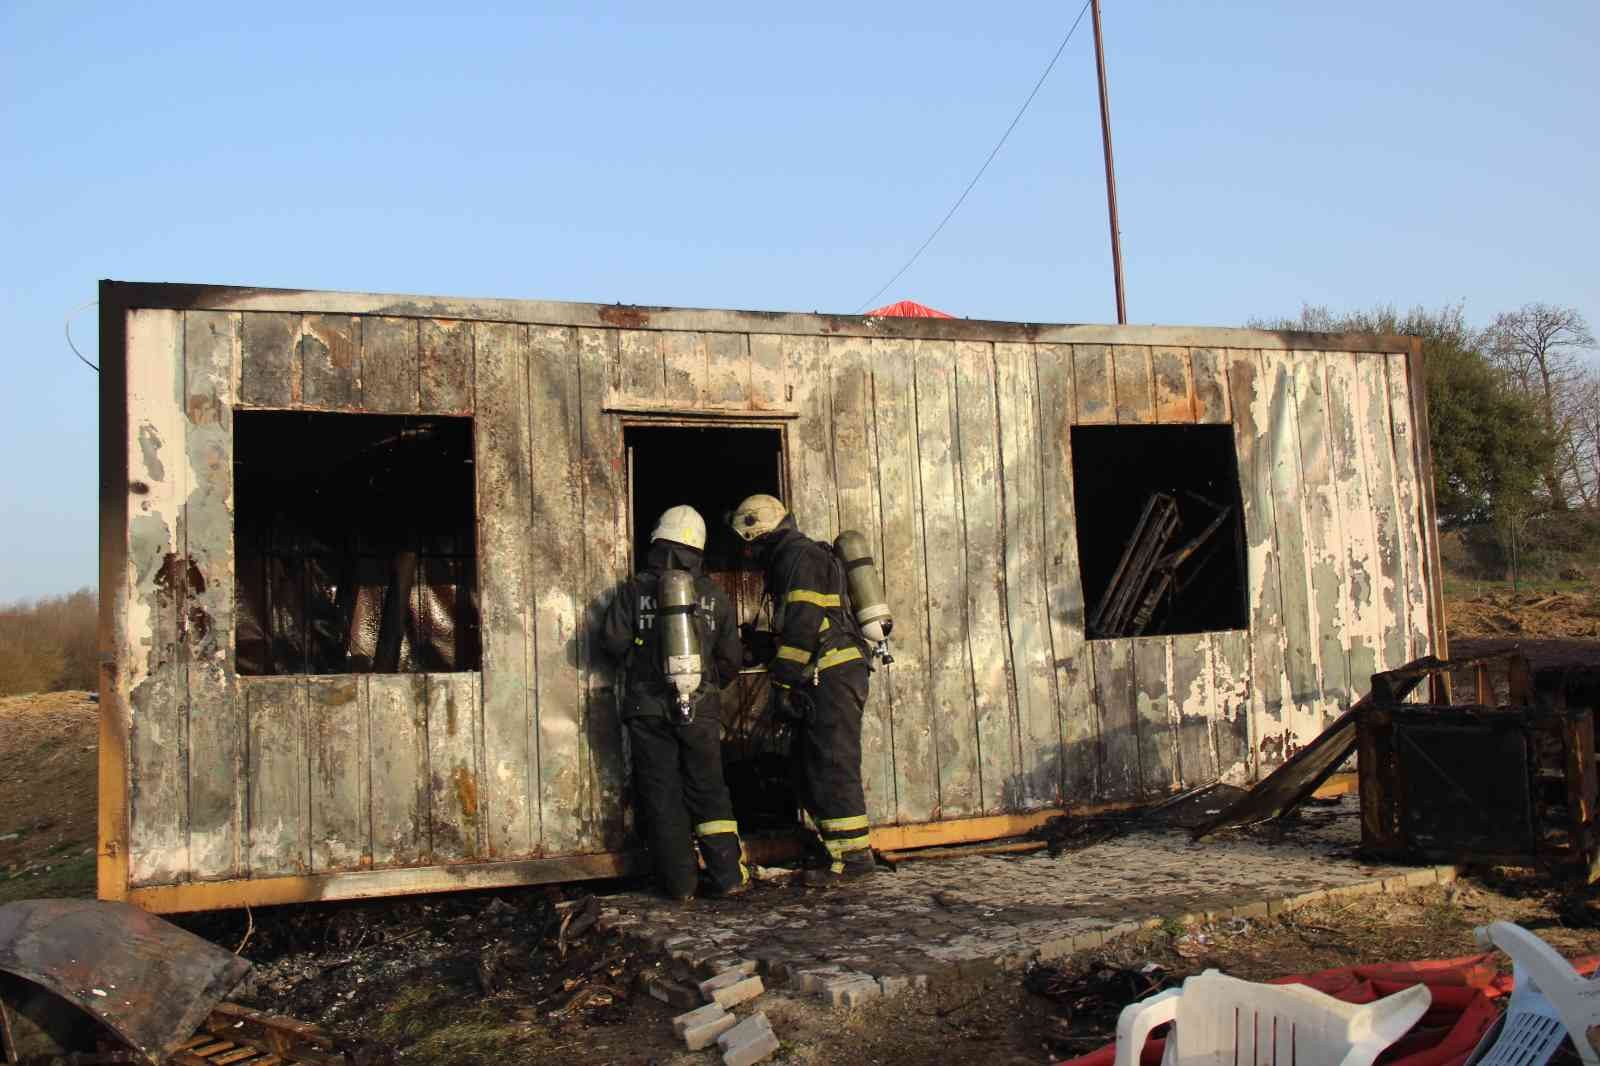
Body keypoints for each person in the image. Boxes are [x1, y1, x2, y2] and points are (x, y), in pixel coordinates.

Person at [727, 494, 876, 886]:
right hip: (822, 674)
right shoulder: (788, 560)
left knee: (832, 762)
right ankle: (837, 850)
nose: (750, 555)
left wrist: (783, 679)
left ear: (759, 535)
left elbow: (804, 624)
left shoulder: (798, 558)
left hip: (831, 674)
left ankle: (855, 859)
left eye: (750, 546)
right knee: (809, 764)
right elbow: (795, 625)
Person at [601, 505, 747, 900]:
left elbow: (612, 643)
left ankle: (680, 885)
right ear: (698, 549)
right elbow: (732, 659)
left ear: (657, 542)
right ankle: (727, 877)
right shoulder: (714, 595)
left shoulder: (634, 590)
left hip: (648, 708)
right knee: (709, 789)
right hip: (700, 709)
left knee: (662, 793)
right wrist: (708, 690)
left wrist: (640, 654)